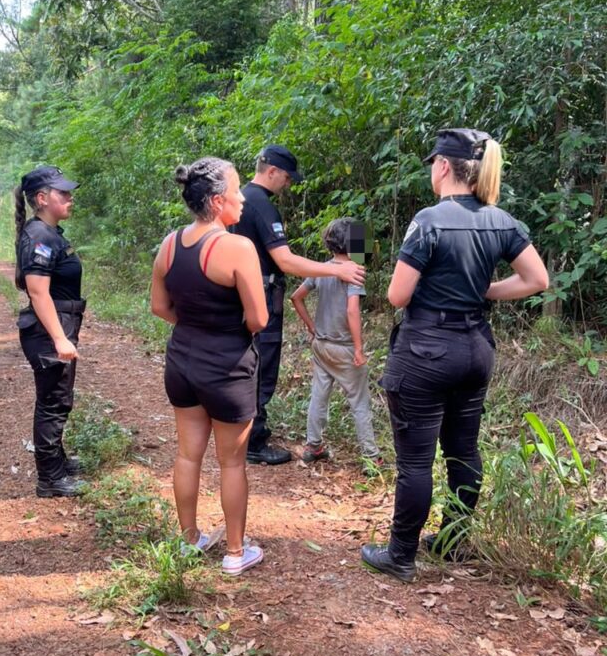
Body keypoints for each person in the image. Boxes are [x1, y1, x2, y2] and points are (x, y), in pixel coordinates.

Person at [361, 128, 549, 582]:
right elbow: (536, 279)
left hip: (426, 349)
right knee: (463, 450)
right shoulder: (502, 221)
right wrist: (485, 291)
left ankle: (401, 555)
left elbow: (397, 295)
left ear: (444, 165)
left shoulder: (429, 220)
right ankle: (452, 541)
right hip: (476, 348)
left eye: (433, 163)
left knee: (415, 461)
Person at [151, 157, 269, 576]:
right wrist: (221, 327)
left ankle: (189, 540)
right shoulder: (237, 247)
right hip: (227, 365)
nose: (242, 198)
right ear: (218, 201)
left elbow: (158, 306)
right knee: (232, 462)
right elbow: (258, 320)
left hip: (181, 360)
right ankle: (236, 553)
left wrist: (195, 325)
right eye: (237, 191)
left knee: (188, 455)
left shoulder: (169, 244)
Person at [230, 145, 366, 466]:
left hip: (240, 296)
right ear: (272, 171)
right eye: (287, 178)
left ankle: (242, 430)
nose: (288, 185)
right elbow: (285, 260)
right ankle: (254, 439)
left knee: (247, 363)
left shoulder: (237, 199)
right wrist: (337, 268)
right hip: (262, 298)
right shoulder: (262, 205)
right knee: (262, 367)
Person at [14, 165, 87, 498]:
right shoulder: (40, 235)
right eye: (63, 193)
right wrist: (59, 338)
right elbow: (38, 291)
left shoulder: (50, 233)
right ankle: (50, 478)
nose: (70, 198)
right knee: (53, 402)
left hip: (57, 324)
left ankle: (58, 461)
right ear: (42, 199)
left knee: (58, 398)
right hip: (48, 331)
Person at [290, 218, 382, 471]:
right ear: (355, 244)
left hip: (321, 345)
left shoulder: (322, 269)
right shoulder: (354, 271)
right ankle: (371, 457)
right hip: (343, 348)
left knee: (319, 395)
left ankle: (313, 446)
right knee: (359, 401)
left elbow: (296, 297)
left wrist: (311, 327)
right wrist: (359, 348)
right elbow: (353, 311)